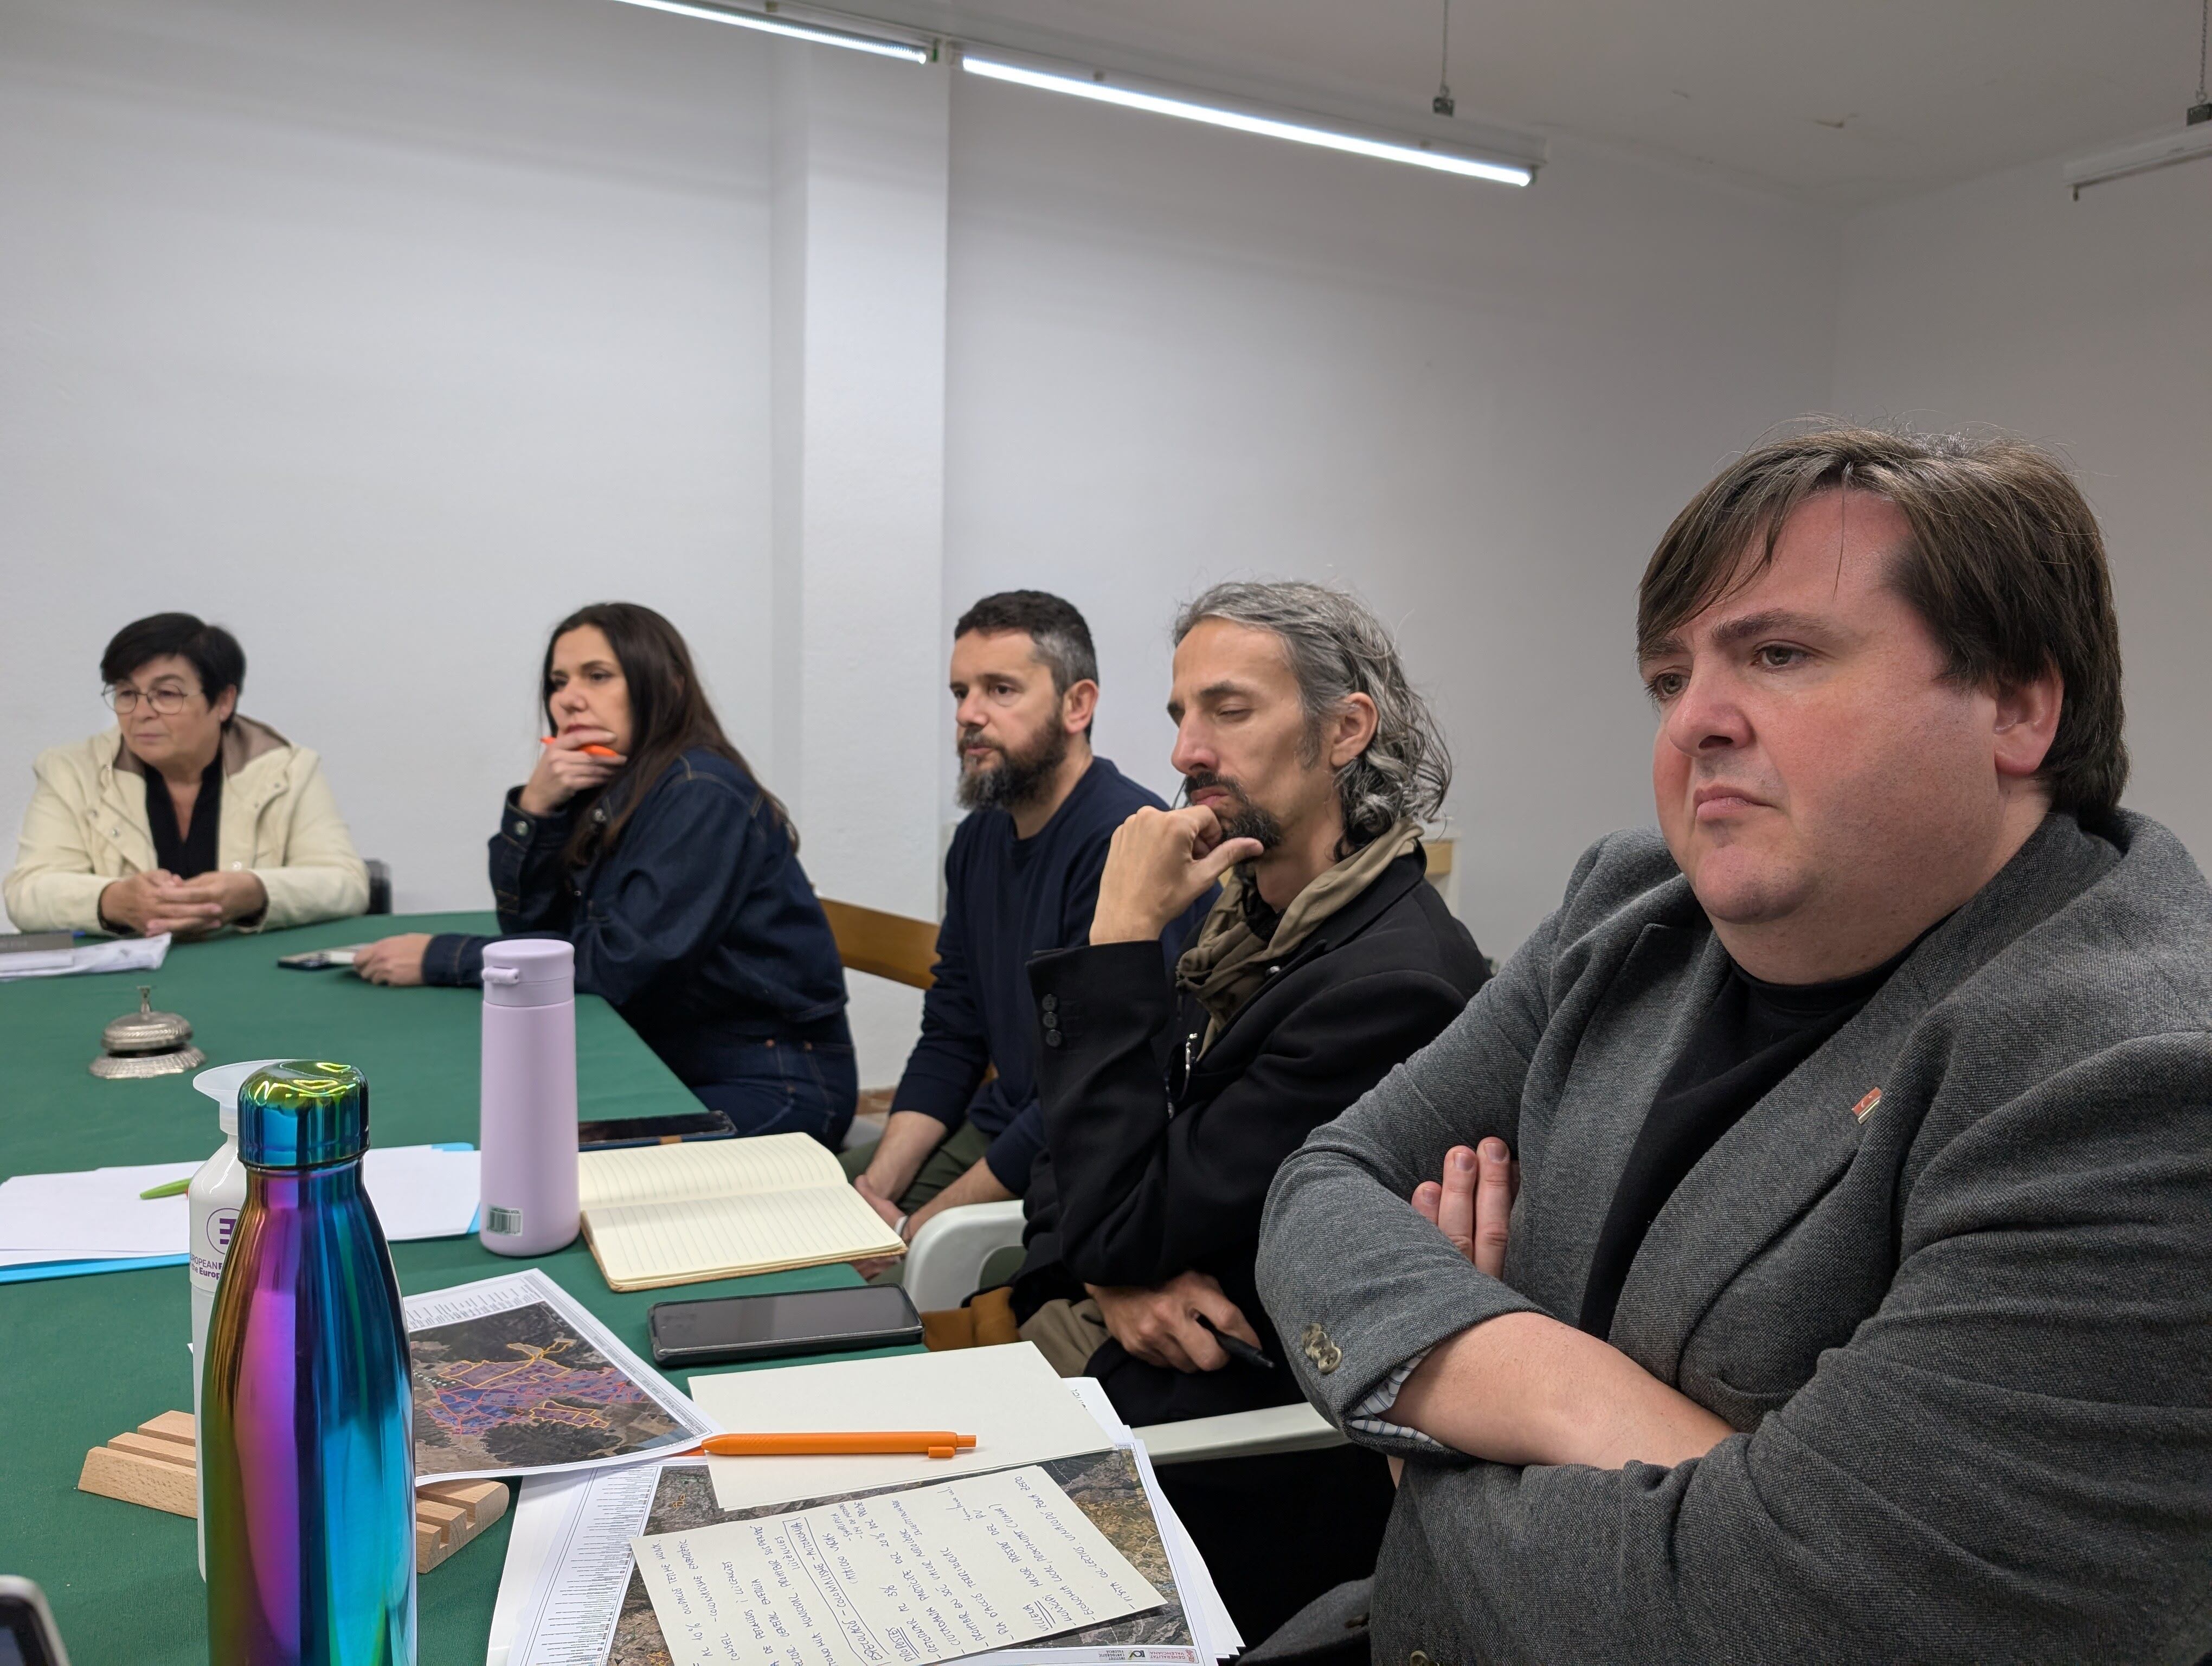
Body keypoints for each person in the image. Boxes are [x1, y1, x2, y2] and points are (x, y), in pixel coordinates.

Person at [1255, 429, 2212, 1664]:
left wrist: (1421, 1434)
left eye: (1778, 654)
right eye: (1670, 677)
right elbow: (1323, 1186)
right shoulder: (1627, 910)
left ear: (2018, 705)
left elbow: (1790, 1619)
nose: (1693, 721)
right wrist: (1546, 1383)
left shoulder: (2142, 1085)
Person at [1005, 580, 1489, 1642]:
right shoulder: (1242, 922)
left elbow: (1109, 1199)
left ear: (1344, 732)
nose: (1186, 750)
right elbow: (1069, 1153)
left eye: (1229, 710)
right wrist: (1109, 1275)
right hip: (1119, 1364)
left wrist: (1115, 941)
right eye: (1181, 714)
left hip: (1239, 1459)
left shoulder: (1390, 987)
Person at [353, 603, 856, 1144]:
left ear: (667, 686)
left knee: (540, 1159)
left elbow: (618, 964)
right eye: (559, 681)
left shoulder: (701, 792)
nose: (569, 698)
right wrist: (536, 807)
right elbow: (533, 933)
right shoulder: (617, 787)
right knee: (495, 1125)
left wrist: (443, 958)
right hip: (666, 1058)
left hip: (770, 1082)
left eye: (597, 676)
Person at [843, 592, 1207, 1246]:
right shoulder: (978, 840)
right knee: (809, 1216)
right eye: (961, 693)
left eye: (1000, 690)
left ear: (1077, 705)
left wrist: (913, 1231)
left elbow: (1091, 1089)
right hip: (1004, 1127)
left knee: (864, 1266)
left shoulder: (1124, 846)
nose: (969, 714)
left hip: (1088, 1162)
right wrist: (877, 1191)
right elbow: (953, 1031)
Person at [5, 613, 368, 935]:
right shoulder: (71, 771)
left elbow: (346, 883)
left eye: (166, 694)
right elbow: (28, 891)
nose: (141, 713)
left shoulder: (287, 769)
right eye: (127, 693)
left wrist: (255, 891)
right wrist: (111, 900)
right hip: (125, 979)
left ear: (223, 701)